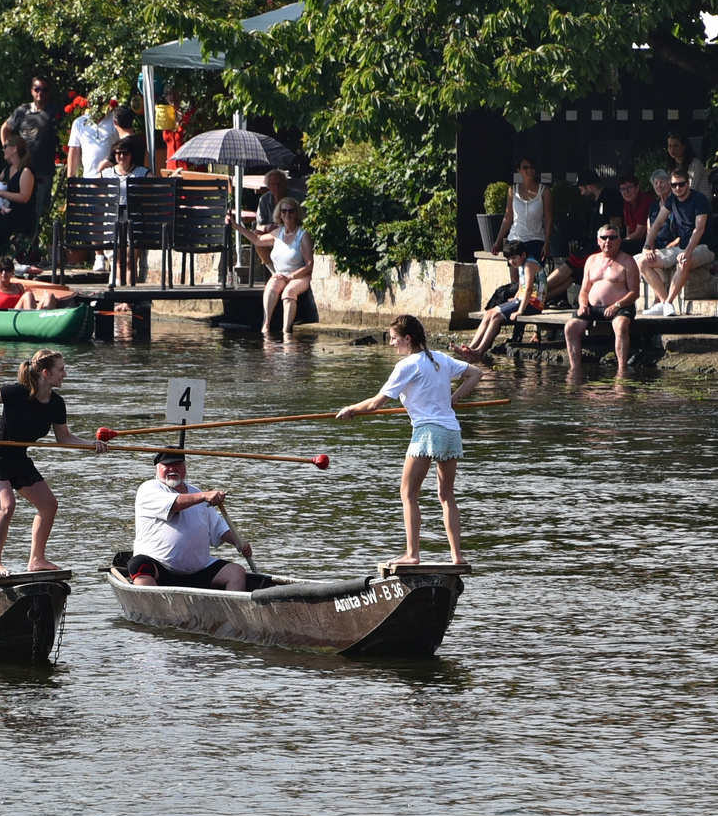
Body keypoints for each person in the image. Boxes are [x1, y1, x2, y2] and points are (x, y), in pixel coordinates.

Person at [336, 314, 484, 565]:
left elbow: (375, 403)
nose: (391, 343)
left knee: (408, 494)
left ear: (407, 338)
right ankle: (457, 556)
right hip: (451, 432)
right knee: (447, 496)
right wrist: (454, 398)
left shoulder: (407, 365)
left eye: (394, 339)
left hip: (427, 432)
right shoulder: (441, 359)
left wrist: (351, 408)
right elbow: (476, 373)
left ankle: (412, 554)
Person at [0, 349, 106, 577]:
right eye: (61, 370)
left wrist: (92, 444)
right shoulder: (17, 393)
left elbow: (64, 438)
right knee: (7, 506)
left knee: (49, 505)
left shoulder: (57, 403)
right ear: (46, 373)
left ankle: (37, 559)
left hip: (19, 460)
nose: (65, 374)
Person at [126, 451, 251, 591]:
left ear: (185, 468)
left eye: (177, 464)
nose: (172, 469)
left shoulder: (196, 492)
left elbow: (217, 526)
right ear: (157, 468)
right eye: (167, 465)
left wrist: (238, 542)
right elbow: (174, 504)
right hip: (160, 569)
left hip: (198, 571)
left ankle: (233, 611)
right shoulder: (149, 489)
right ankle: (153, 608)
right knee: (138, 566)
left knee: (236, 572)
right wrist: (204, 495)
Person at [227, 196, 314, 336]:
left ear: (296, 213)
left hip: (300, 275)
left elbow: (310, 265)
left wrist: (292, 276)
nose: (287, 214)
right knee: (271, 287)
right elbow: (257, 240)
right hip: (281, 274)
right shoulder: (278, 233)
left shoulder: (303, 235)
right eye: (284, 211)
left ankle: (286, 331)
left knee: (288, 292)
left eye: (291, 211)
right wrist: (235, 226)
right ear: (279, 214)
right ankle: (265, 326)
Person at [565, 225, 641, 375]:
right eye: (604, 238)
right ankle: (574, 369)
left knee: (620, 325)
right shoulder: (591, 260)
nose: (608, 241)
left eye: (612, 237)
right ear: (598, 241)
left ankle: (621, 369)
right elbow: (584, 290)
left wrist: (617, 305)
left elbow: (634, 292)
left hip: (620, 306)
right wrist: (582, 305)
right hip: (593, 308)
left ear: (619, 241)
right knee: (570, 327)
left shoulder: (628, 261)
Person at [639, 169, 715, 316]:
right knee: (643, 262)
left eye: (681, 184)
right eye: (674, 185)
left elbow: (699, 229)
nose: (677, 188)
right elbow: (658, 222)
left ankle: (668, 302)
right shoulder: (672, 199)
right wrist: (647, 247)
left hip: (703, 247)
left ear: (688, 183)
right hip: (682, 248)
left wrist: (687, 252)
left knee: (684, 261)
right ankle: (663, 302)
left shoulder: (699, 199)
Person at [488, 155, 550, 312]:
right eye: (525, 167)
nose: (529, 170)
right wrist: (498, 240)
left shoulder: (544, 190)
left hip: (536, 239)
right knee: (516, 283)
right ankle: (516, 322)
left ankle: (536, 331)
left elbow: (549, 217)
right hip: (515, 239)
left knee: (534, 282)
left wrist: (547, 241)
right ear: (519, 170)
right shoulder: (513, 190)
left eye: (532, 167)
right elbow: (508, 217)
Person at [455, 241, 535, 360]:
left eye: (514, 258)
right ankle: (471, 348)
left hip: (532, 304)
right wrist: (515, 297)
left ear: (523, 255)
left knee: (496, 317)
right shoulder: (521, 265)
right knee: (489, 313)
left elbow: (528, 289)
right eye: (509, 259)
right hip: (522, 300)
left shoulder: (529, 265)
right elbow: (521, 286)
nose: (511, 261)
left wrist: (519, 311)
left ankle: (479, 351)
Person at [0, 75, 60, 224]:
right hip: (22, 168)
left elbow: (67, 133)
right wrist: (7, 150)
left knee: (40, 209)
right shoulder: (22, 110)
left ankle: (36, 242)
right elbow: (5, 128)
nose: (40, 93)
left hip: (43, 169)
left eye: (44, 90)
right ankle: (18, 242)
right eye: (37, 89)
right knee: (18, 206)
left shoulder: (55, 110)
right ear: (31, 91)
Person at [96, 134, 151, 280]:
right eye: (118, 153)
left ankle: (129, 300)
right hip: (114, 219)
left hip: (134, 219)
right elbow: (91, 185)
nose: (121, 156)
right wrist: (105, 198)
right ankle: (120, 299)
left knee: (130, 260)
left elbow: (158, 184)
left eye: (125, 153)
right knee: (118, 261)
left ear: (131, 154)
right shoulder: (107, 173)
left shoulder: (141, 172)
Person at [0, 135, 37, 258]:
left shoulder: (25, 171)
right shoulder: (7, 169)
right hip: (4, 212)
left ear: (14, 149)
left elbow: (24, 197)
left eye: (5, 146)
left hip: (19, 215)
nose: (3, 150)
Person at [66, 98, 117, 180]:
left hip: (112, 180)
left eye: (100, 104)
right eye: (93, 103)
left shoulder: (115, 121)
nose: (96, 107)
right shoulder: (79, 123)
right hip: (88, 179)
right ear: (88, 105)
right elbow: (74, 151)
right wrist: (70, 179)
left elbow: (123, 145)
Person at [616, 173, 655, 255]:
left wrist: (619, 242)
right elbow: (628, 231)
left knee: (620, 246)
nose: (626, 192)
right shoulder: (626, 203)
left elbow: (639, 234)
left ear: (637, 188)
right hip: (633, 241)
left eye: (629, 188)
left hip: (649, 242)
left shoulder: (646, 201)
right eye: (623, 189)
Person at [254, 170, 302, 234]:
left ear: (285, 184)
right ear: (268, 186)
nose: (276, 187)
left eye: (279, 184)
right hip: (272, 233)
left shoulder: (297, 196)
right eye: (273, 184)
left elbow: (303, 220)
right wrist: (267, 227)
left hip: (292, 231)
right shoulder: (264, 199)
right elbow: (259, 226)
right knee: (256, 233)